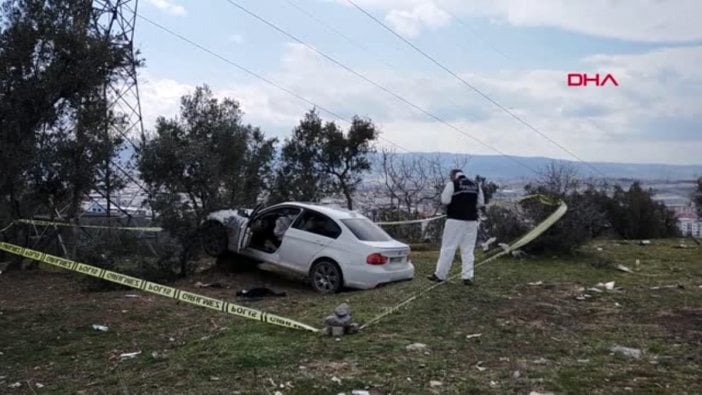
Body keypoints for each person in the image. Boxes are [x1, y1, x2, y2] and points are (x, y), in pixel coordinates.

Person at [428, 169, 485, 285]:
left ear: (453, 176)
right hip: (471, 221)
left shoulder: (452, 184)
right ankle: (467, 276)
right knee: (468, 249)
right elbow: (480, 203)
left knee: (448, 248)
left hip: (455, 220)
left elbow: (445, 200)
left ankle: (440, 275)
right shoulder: (475, 185)